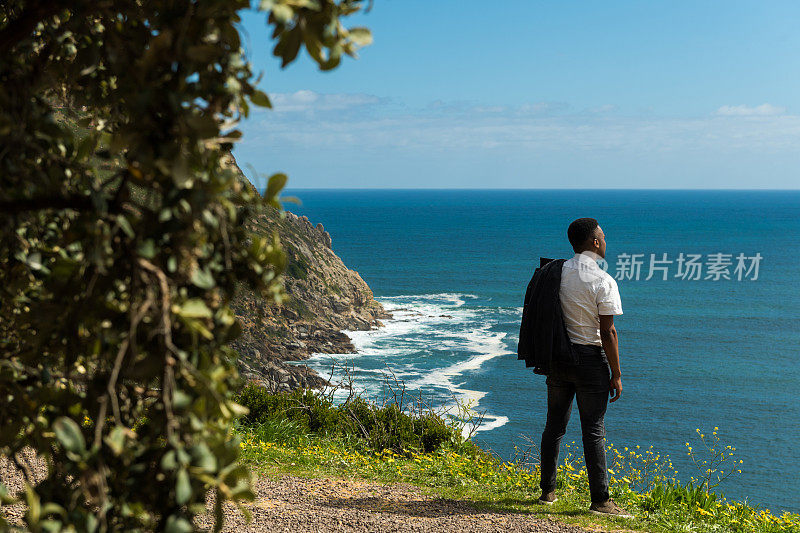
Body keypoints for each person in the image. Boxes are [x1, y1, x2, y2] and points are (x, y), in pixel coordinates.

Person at [525, 217, 632, 518]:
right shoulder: (603, 281)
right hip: (589, 363)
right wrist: (617, 374)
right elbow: (608, 331)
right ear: (595, 242)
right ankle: (600, 501)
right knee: (593, 432)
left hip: (558, 358)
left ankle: (548, 492)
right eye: (603, 236)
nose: (605, 240)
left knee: (554, 426)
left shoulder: (555, 272)